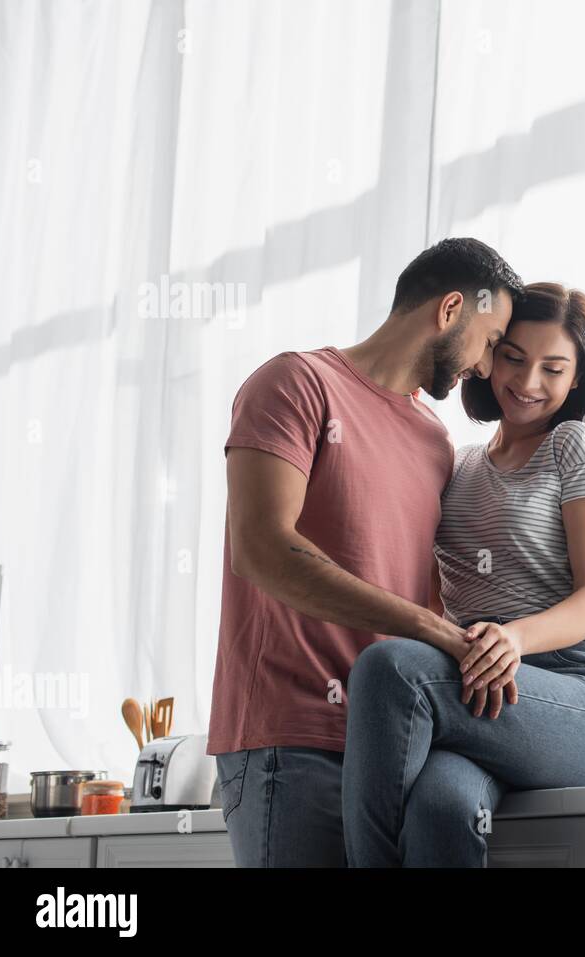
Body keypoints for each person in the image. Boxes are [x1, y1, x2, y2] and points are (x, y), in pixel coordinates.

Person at [209, 237, 527, 867]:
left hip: (390, 743)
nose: (488, 369)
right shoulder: (296, 384)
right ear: (450, 309)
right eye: (490, 342)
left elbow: (437, 580)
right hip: (289, 740)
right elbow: (261, 548)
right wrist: (423, 628)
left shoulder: (436, 442)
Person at [340, 281, 585, 867]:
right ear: (491, 353)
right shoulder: (459, 463)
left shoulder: (575, 446)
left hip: (576, 694)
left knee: (388, 669)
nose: (527, 384)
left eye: (553, 369)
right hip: (480, 691)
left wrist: (515, 637)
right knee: (441, 810)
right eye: (514, 359)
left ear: (576, 377)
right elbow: (431, 589)